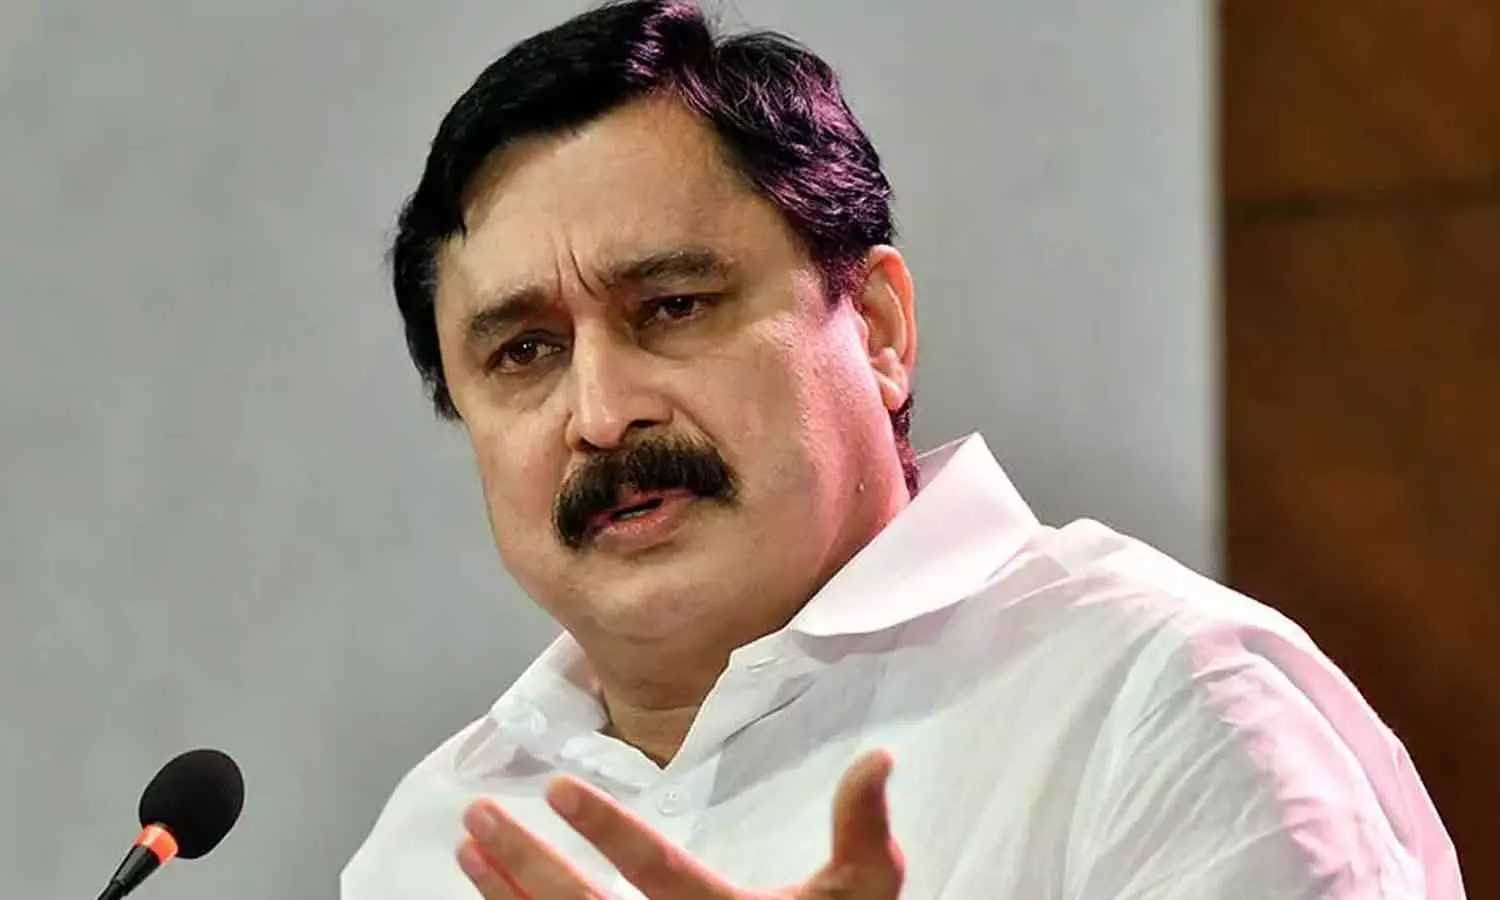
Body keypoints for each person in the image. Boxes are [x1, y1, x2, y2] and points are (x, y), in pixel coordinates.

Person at [341, 2, 1465, 897]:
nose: (600, 412)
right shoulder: (430, 843)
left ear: (877, 329)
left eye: (674, 306)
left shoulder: (1157, 701)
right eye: (525, 353)